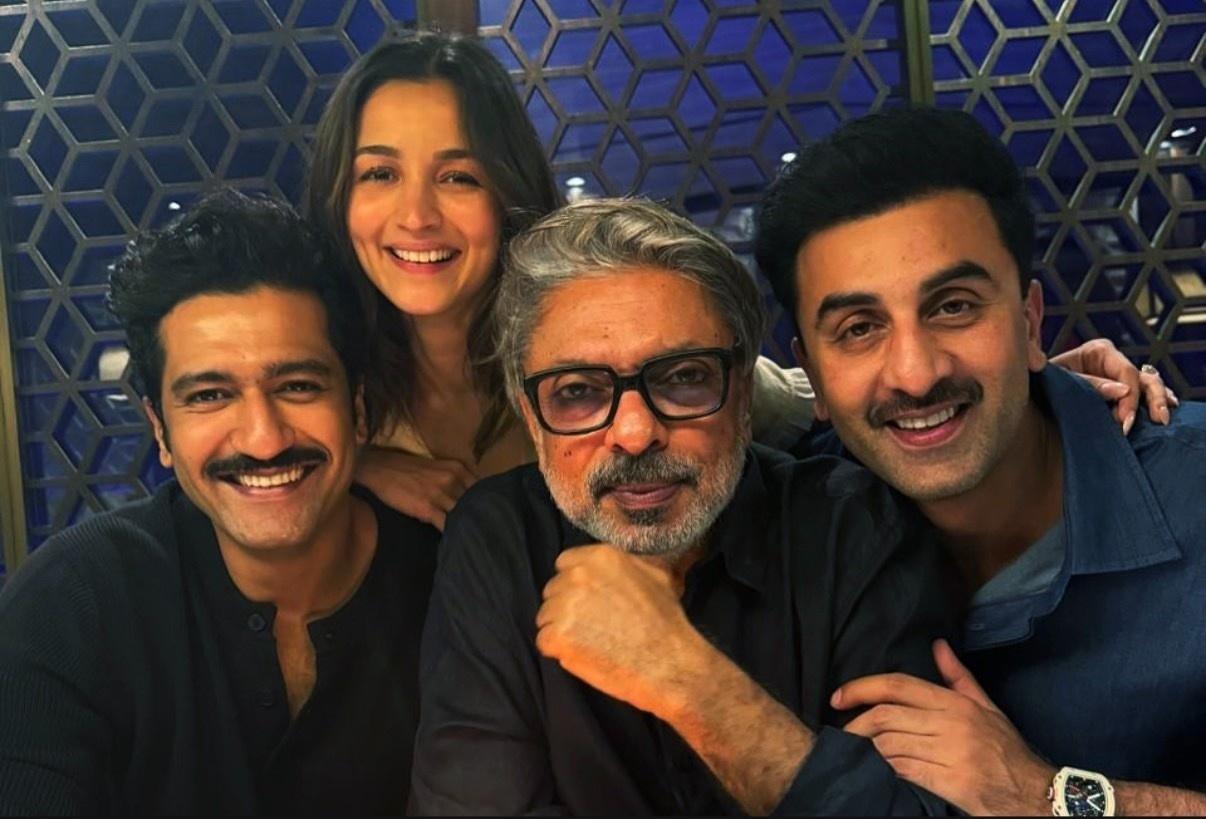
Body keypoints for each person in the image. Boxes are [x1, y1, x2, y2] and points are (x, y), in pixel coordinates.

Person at [409, 197, 960, 815]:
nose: (634, 433)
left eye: (683, 378)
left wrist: (688, 679)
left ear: (742, 394)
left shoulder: (854, 528)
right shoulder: (499, 538)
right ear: (531, 418)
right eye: (578, 392)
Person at [755, 105, 1205, 816]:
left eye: (954, 307)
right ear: (810, 371)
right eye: (860, 328)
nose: (915, 373)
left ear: (1029, 321)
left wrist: (1045, 797)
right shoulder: (793, 525)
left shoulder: (1192, 493)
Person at [0, 190, 440, 813]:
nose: (264, 439)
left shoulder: (452, 583)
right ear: (160, 431)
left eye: (298, 385)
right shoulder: (72, 605)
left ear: (358, 409)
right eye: (209, 396)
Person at [305, 30, 816, 530]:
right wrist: (356, 462)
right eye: (380, 174)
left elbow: (797, 403)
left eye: (458, 177)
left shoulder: (587, 334)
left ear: (507, 191)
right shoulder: (328, 385)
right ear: (338, 193)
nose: (416, 217)